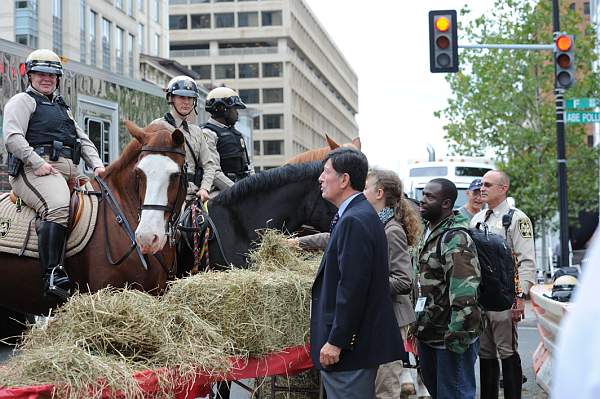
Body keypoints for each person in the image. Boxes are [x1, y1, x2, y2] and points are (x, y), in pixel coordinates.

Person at [296, 169, 425, 397]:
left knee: (384, 388)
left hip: (392, 317)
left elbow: (403, 280)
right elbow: (333, 236)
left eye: (365, 187)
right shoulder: (369, 221)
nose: (360, 191)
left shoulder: (392, 230)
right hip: (374, 314)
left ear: (379, 193)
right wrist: (297, 243)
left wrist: (368, 283)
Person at [2, 49, 105, 299]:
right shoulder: (22, 101)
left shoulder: (62, 107)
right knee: (58, 205)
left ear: (58, 78)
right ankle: (52, 274)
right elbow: (13, 137)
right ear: (30, 75)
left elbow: (83, 140)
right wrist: (36, 162)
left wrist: (99, 167)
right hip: (33, 170)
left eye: (52, 74)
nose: (46, 78)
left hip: (70, 170)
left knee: (104, 201)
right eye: (40, 73)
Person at [310, 148, 404, 399]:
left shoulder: (355, 220)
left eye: (326, 172)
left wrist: (337, 341)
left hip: (351, 351)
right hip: (353, 348)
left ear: (344, 180)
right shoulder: (357, 215)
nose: (320, 178)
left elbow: (353, 288)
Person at [411, 178, 482, 399]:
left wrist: (457, 339)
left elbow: (465, 292)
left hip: (449, 339)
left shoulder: (455, 237)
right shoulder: (429, 231)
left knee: (455, 394)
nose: (422, 200)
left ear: (446, 203)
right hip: (429, 335)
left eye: (430, 197)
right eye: (423, 195)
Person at [471, 170, 536, 399]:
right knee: (486, 353)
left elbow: (526, 261)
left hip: (505, 298)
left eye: (488, 184)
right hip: (483, 299)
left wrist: (520, 297)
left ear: (503, 188)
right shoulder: (477, 219)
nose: (482, 188)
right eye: (481, 184)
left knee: (507, 351)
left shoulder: (517, 219)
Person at [152, 75, 216, 202]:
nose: (186, 102)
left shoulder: (197, 132)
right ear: (171, 98)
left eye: (190, 98)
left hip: (192, 196)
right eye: (181, 97)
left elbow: (209, 165)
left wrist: (205, 188)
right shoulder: (156, 127)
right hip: (163, 197)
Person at [202, 86, 254, 191]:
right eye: (234, 109)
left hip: (242, 187)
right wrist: (238, 190)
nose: (237, 113)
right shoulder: (208, 133)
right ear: (222, 109)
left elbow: (248, 166)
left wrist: (255, 186)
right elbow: (214, 173)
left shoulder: (237, 134)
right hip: (220, 191)